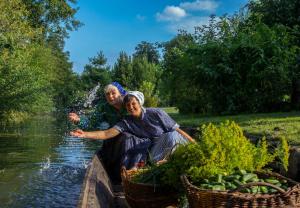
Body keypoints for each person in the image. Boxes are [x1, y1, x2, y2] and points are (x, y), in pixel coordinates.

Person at [71, 91, 195, 168]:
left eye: (133, 103)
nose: (131, 107)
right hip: (156, 149)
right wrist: (85, 134)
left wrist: (194, 143)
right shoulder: (127, 122)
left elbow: (177, 129)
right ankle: (161, 165)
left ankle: (170, 161)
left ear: (139, 103)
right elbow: (106, 133)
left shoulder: (156, 113)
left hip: (175, 144)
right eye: (128, 105)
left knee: (171, 135)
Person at [69, 82, 149, 182]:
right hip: (113, 138)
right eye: (107, 94)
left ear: (120, 93)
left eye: (113, 93)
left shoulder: (129, 103)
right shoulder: (104, 107)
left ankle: (131, 172)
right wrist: (79, 121)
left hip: (135, 138)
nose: (110, 96)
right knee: (115, 142)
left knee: (127, 137)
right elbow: (91, 124)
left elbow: (142, 117)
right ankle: (117, 175)